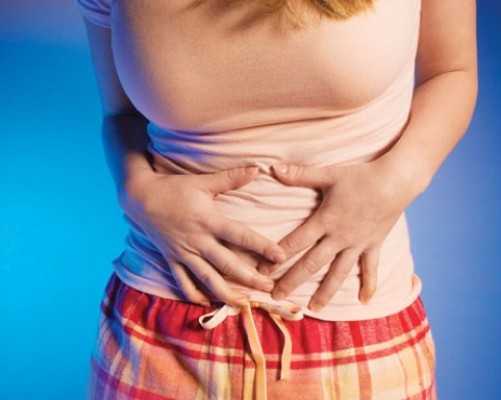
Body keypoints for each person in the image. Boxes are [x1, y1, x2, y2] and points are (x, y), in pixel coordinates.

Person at [76, 0, 478, 398]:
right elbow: (122, 115)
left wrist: (397, 179)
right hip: (161, 331)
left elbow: (451, 72)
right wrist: (137, 189)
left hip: (359, 328)